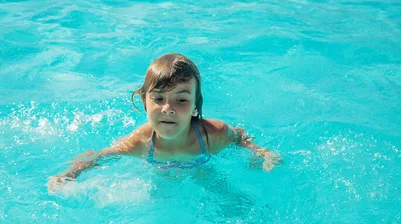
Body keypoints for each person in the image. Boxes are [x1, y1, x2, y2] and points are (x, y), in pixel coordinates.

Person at [48, 53, 280, 191]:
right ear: (145, 102)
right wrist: (68, 175)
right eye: (158, 98)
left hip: (203, 169)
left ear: (195, 107)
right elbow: (98, 155)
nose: (168, 109)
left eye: (181, 100)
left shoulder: (212, 135)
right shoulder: (140, 142)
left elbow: (239, 134)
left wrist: (261, 153)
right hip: (161, 174)